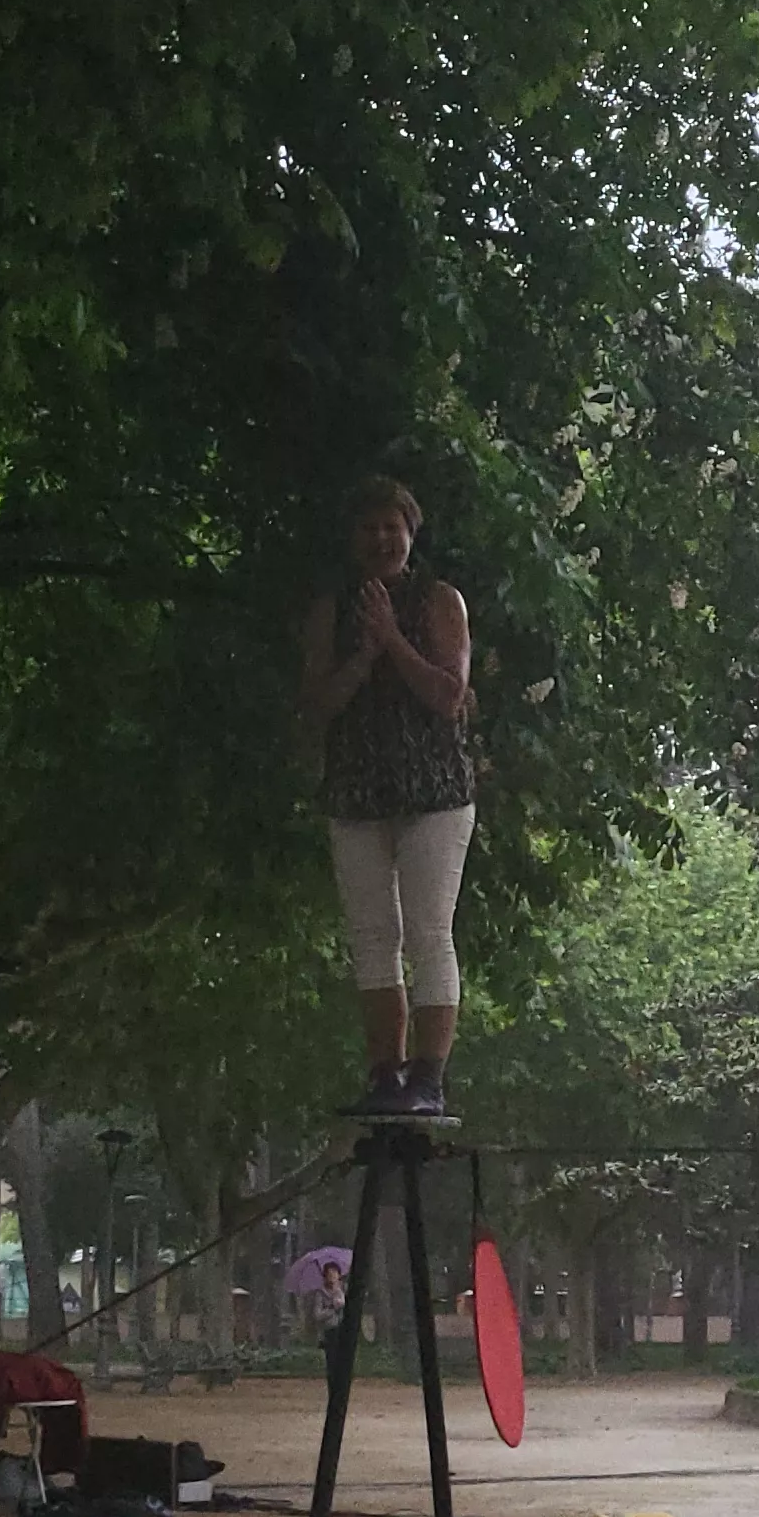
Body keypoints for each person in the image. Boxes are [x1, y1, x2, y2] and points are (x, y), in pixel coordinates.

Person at [296, 475, 476, 1118]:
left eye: (391, 528)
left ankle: (428, 1077)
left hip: (434, 794)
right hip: (356, 792)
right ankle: (383, 1075)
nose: (380, 539)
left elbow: (448, 697)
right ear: (354, 539)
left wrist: (393, 642)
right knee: (372, 935)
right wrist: (364, 654)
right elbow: (316, 704)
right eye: (369, 528)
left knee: (429, 931)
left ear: (410, 534)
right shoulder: (331, 609)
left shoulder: (439, 601)